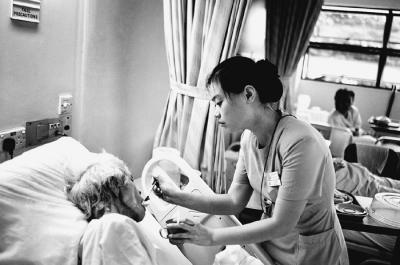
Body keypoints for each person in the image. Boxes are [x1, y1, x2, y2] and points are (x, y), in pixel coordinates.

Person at [152, 56, 349, 265]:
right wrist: (175, 196)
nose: (216, 113)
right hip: (272, 246)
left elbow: (282, 223)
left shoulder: (300, 141)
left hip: (311, 253)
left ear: (248, 94)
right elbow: (233, 201)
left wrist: (210, 237)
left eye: (219, 102)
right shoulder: (249, 139)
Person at [65, 152, 158, 265]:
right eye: (131, 180)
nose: (139, 191)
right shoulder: (111, 225)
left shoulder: (101, 232)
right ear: (113, 185)